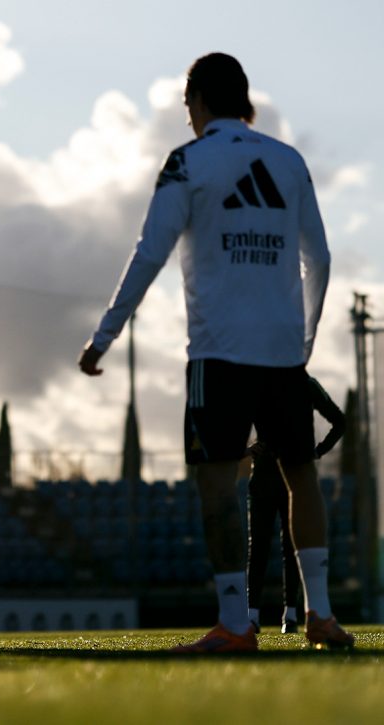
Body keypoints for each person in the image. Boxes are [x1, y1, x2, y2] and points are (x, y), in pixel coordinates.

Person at [78, 53, 350, 652]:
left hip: (219, 355)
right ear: (246, 99)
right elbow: (321, 260)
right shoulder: (288, 160)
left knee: (216, 485)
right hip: (283, 354)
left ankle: (235, 624)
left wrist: (104, 336)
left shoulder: (189, 161)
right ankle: (321, 615)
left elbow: (150, 252)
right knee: (301, 476)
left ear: (197, 102)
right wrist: (301, 340)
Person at [246, 376, 345, 634]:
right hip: (292, 472)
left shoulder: (260, 383)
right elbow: (340, 422)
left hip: (272, 474)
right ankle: (286, 616)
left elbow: (339, 423)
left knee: (262, 547)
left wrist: (248, 449)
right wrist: (316, 451)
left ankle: (255, 616)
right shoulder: (302, 383)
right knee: (286, 549)